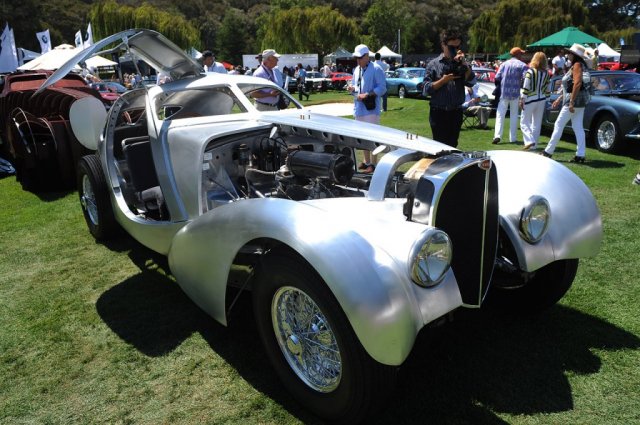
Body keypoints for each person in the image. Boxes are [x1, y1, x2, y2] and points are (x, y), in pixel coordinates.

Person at [422, 29, 476, 148]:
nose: (455, 50)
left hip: (456, 112)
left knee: (452, 146)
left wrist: (464, 65)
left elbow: (471, 82)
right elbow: (426, 89)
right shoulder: (433, 64)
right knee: (439, 147)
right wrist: (443, 80)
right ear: (443, 45)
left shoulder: (462, 63)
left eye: (458, 47)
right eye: (452, 47)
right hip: (439, 112)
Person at [541, 44, 591, 163]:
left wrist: (571, 102)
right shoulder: (579, 65)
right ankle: (580, 155)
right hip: (581, 101)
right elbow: (570, 86)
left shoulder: (577, 65)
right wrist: (560, 98)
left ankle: (548, 151)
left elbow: (577, 83)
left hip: (573, 101)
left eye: (569, 53)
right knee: (577, 127)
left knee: (559, 124)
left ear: (574, 55)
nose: (567, 54)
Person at [347, 44, 387, 173]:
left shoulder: (376, 68)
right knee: (362, 136)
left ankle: (374, 164)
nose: (358, 60)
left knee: (373, 136)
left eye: (360, 57)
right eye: (356, 58)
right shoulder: (357, 69)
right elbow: (355, 84)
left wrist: (368, 94)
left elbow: (382, 88)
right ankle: (367, 161)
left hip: (371, 108)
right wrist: (352, 88)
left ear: (367, 56)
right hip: (359, 107)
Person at [492, 47, 528, 144]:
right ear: (518, 54)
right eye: (521, 53)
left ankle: (497, 136)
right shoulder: (523, 65)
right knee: (514, 115)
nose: (522, 55)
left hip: (504, 93)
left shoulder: (504, 64)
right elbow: (526, 79)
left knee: (500, 115)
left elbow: (497, 77)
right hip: (515, 93)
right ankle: (513, 138)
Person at [520, 52, 551, 150]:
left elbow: (526, 86)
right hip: (541, 99)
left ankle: (530, 141)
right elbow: (548, 88)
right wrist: (548, 99)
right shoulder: (546, 73)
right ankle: (534, 145)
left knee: (524, 122)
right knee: (536, 124)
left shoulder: (530, 72)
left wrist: (522, 99)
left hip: (530, 99)